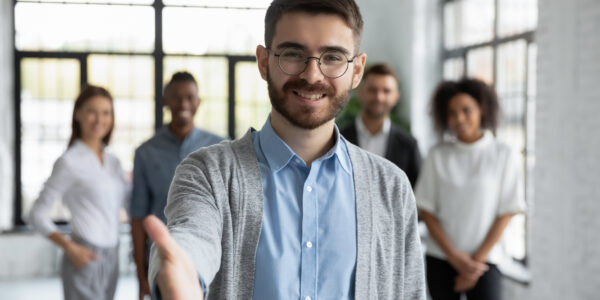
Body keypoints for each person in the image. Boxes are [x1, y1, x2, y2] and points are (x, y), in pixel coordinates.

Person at [144, 0, 426, 299]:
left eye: (332, 57)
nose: (312, 75)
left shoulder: (391, 187)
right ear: (264, 62)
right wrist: (182, 271)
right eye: (293, 54)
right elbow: (192, 236)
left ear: (356, 71)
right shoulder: (208, 173)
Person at [415, 78, 526, 300]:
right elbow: (427, 211)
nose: (459, 118)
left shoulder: (503, 154)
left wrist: (474, 263)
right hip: (441, 258)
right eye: (452, 113)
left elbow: (507, 211)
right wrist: (455, 258)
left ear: (482, 110)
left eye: (466, 110)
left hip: (486, 261)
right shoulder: (438, 154)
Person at [28, 85, 130, 300]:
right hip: (83, 254)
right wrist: (68, 247)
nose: (99, 119)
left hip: (113, 255)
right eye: (92, 111)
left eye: (106, 112)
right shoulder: (69, 161)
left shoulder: (113, 161)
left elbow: (126, 204)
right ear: (78, 114)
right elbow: (36, 214)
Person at [129, 71, 224, 300]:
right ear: (165, 101)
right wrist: (141, 278)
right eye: (176, 97)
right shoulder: (145, 152)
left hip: (210, 262)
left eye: (190, 97)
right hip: (161, 262)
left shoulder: (220, 148)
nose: (183, 103)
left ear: (198, 102)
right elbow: (138, 216)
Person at [340, 63, 422, 187]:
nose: (379, 97)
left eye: (386, 91)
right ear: (360, 92)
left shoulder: (408, 146)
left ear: (396, 97)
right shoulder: (339, 140)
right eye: (372, 90)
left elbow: (414, 196)